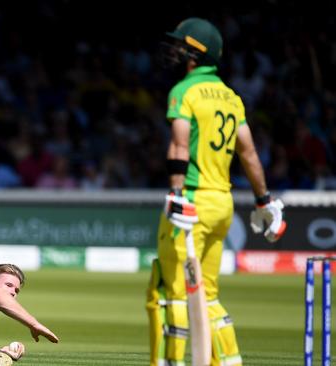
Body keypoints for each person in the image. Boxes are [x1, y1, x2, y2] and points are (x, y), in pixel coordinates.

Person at [146, 18, 287, 366]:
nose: (174, 52)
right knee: (207, 293)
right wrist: (264, 200)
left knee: (170, 292)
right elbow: (249, 153)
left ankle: (171, 362)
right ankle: (229, 361)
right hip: (221, 203)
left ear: (195, 52)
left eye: (180, 46)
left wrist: (176, 193)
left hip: (191, 199)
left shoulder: (185, 91)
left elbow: (179, 146)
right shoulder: (231, 97)